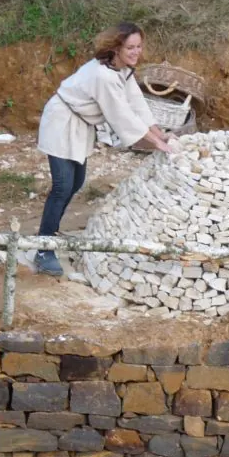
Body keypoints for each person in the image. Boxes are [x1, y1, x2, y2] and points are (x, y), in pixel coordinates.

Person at [35, 22, 174, 276]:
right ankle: (43, 249)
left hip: (79, 125)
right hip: (61, 121)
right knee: (62, 186)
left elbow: (137, 104)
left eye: (139, 46)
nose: (135, 52)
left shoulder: (123, 71)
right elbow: (122, 116)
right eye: (130, 47)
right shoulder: (103, 75)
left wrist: (158, 132)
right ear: (116, 48)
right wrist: (158, 145)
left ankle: (51, 233)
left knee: (77, 182)